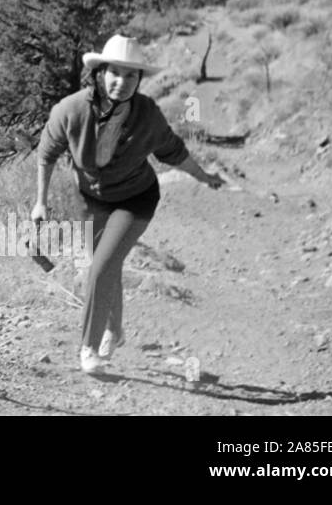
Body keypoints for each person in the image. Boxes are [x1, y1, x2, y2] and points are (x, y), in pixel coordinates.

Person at [33, 34, 225, 373]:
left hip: (135, 199)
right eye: (115, 73)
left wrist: (204, 176)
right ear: (100, 72)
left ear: (140, 79)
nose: (122, 82)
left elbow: (173, 152)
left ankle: (88, 349)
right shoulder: (71, 110)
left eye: (132, 75)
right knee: (107, 267)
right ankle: (115, 330)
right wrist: (40, 203)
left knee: (100, 267)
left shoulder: (147, 114)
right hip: (91, 200)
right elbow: (46, 154)